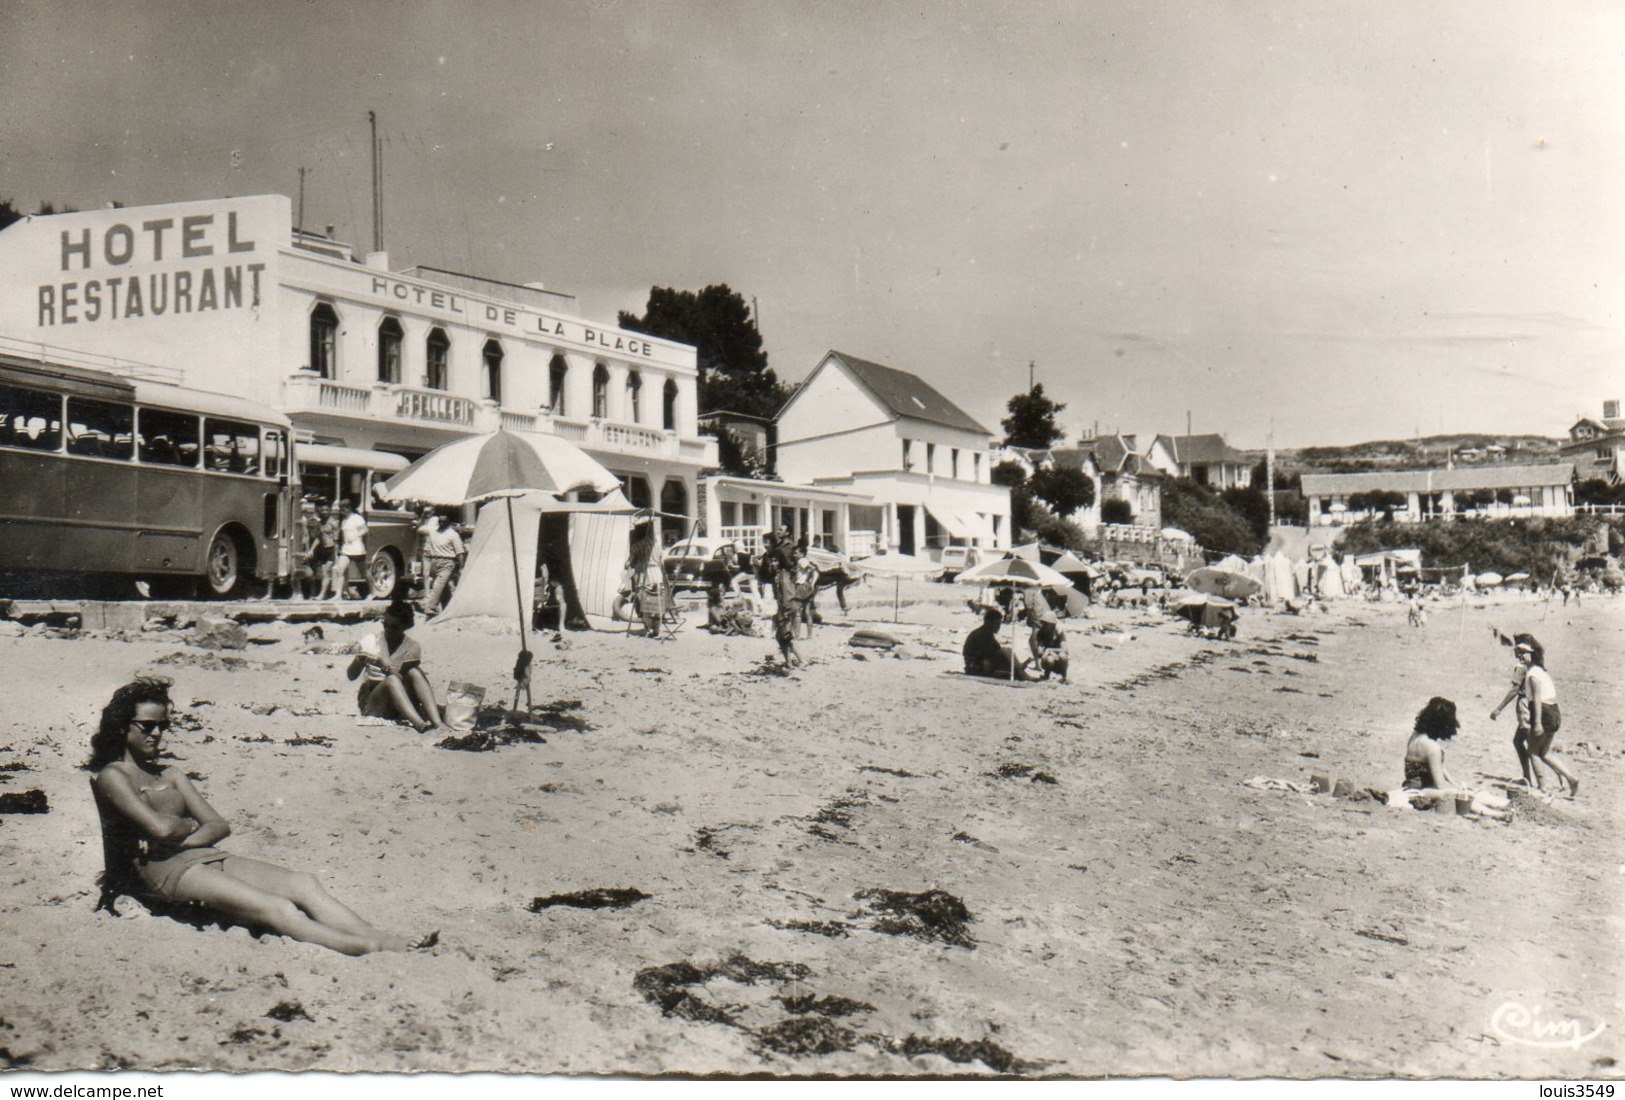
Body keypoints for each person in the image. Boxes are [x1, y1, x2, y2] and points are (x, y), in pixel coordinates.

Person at [89, 679, 429, 955]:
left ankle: (373, 932)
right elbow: (161, 826)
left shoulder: (170, 773)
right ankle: (365, 947)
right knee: (277, 908)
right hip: (166, 871)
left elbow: (218, 825)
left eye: (163, 725)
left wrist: (184, 833)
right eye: (147, 726)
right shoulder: (114, 776)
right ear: (122, 727)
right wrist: (185, 827)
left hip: (203, 855)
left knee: (303, 882)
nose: (157, 734)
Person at [347, 601, 443, 731]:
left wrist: (386, 667)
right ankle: (419, 724)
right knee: (391, 680)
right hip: (376, 700)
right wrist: (359, 660)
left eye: (394, 627)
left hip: (402, 700)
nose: (388, 630)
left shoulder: (412, 647)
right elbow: (351, 676)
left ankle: (437, 723)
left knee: (414, 672)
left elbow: (406, 680)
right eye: (385, 625)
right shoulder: (371, 640)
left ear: (406, 626)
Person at [1517, 637, 1579, 797]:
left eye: (1523, 653)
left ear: (1532, 654)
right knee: (1544, 752)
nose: (1520, 656)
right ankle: (1571, 779)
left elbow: (1537, 697)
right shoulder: (1540, 671)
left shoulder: (1532, 674)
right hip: (1553, 712)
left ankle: (1542, 788)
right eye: (1519, 653)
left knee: (1532, 752)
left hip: (1543, 712)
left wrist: (1536, 723)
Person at [1403, 696, 1461, 791]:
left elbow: (1435, 766)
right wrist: (1457, 790)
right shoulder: (1432, 748)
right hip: (1424, 793)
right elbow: (1440, 786)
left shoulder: (1415, 737)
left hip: (1408, 787)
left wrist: (1454, 782)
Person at [417, 511, 465, 617]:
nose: (442, 522)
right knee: (444, 589)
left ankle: (431, 608)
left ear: (448, 522)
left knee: (438, 585)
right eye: (440, 520)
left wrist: (461, 567)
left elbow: (460, 552)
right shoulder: (434, 532)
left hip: (448, 563)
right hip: (436, 561)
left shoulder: (453, 535)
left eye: (444, 520)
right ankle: (449, 609)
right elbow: (421, 530)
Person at [963, 607, 1026, 679]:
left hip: (980, 663)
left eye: (999, 624)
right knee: (1006, 652)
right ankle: (1022, 673)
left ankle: (1019, 671)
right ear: (988, 622)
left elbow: (995, 650)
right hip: (975, 666)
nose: (998, 627)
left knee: (1007, 653)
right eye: (996, 624)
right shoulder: (982, 634)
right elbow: (993, 653)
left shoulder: (986, 633)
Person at [1023, 596, 1069, 683]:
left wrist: (1050, 650)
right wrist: (1046, 652)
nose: (1044, 625)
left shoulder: (1059, 632)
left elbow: (1065, 649)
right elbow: (1040, 652)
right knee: (1050, 659)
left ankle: (1064, 677)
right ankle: (1046, 675)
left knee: (1064, 656)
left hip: (1058, 656)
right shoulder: (1040, 633)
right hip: (1047, 659)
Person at [336, 499, 370, 600]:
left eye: (344, 510)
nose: (342, 512)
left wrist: (355, 535)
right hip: (346, 549)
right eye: (341, 510)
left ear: (349, 508)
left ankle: (373, 591)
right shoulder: (344, 520)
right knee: (340, 570)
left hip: (357, 549)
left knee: (364, 572)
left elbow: (365, 529)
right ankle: (338, 595)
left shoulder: (357, 518)